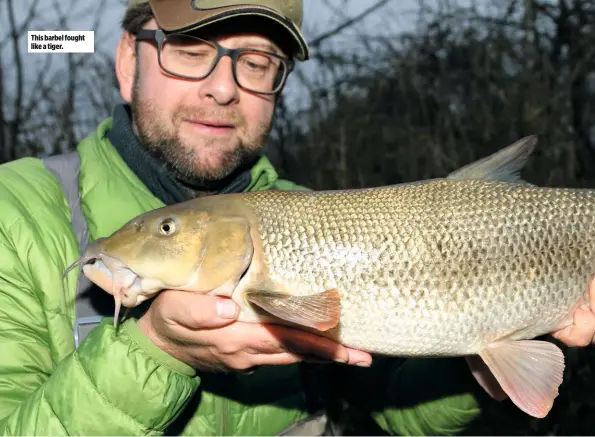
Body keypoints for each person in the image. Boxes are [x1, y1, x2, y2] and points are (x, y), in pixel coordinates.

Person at [0, 0, 593, 435]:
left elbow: (402, 415)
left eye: (256, 63)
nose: (223, 88)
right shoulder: (17, 212)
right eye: (190, 51)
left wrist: (490, 346)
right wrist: (156, 351)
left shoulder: (305, 204)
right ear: (128, 61)